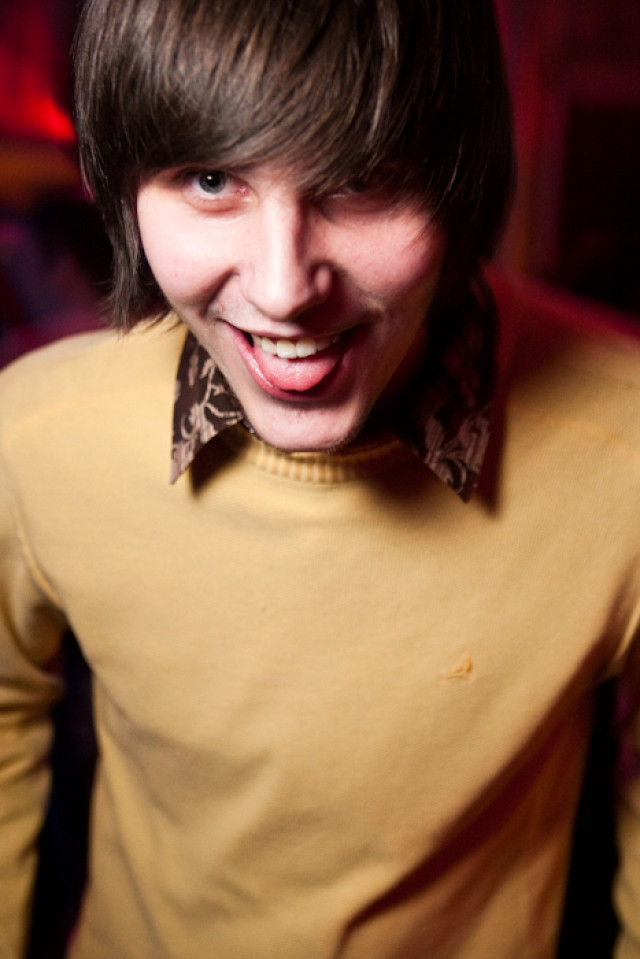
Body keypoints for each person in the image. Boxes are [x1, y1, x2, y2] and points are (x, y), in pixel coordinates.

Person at [1, 1, 640, 957]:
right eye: (211, 179)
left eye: (361, 176)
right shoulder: (34, 437)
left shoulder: (625, 456)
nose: (284, 288)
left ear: (459, 170)